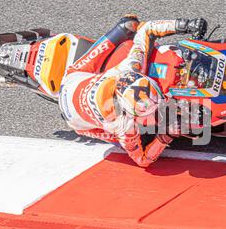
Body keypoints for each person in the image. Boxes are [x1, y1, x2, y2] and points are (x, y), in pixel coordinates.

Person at [58, 15, 208, 167]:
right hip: (76, 120)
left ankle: (118, 29)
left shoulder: (129, 68)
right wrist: (165, 137)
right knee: (144, 135)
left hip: (75, 78)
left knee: (128, 26)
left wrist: (185, 25)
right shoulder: (123, 126)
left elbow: (147, 29)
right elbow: (142, 160)